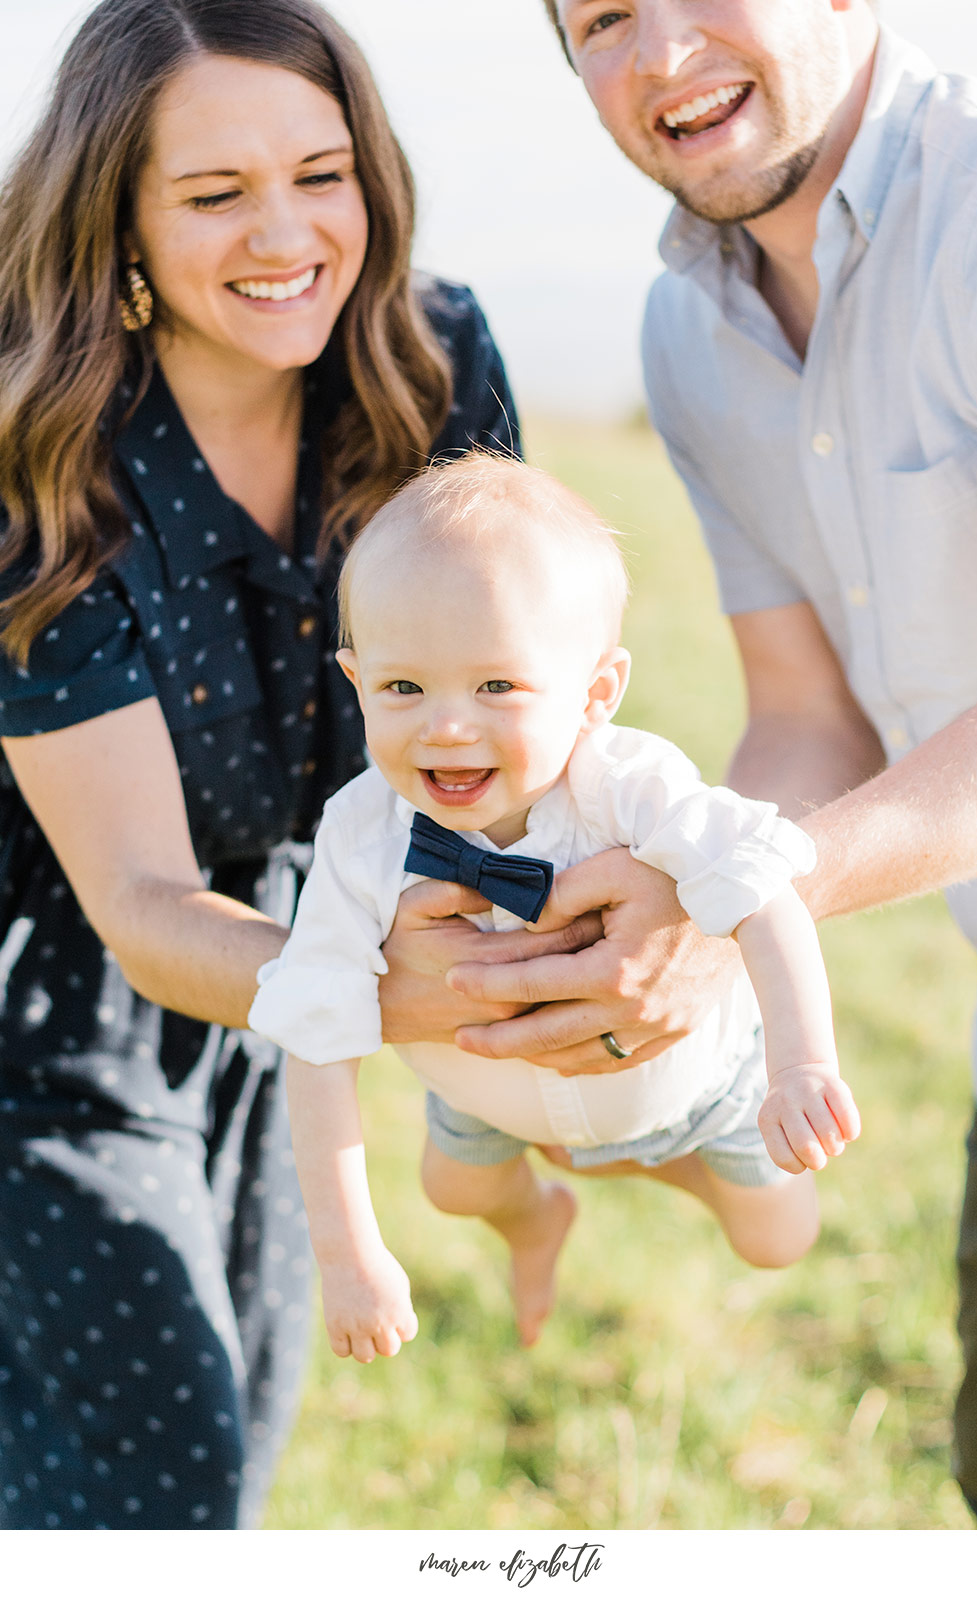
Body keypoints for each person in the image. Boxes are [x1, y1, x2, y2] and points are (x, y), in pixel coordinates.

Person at [0, 0, 523, 1530]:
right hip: (54, 1020)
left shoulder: (435, 366)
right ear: (121, 226)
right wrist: (415, 990)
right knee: (164, 1491)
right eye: (215, 193)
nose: (286, 232)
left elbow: (522, 708)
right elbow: (142, 895)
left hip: (294, 984)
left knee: (235, 1428)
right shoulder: (41, 456)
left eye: (322, 171)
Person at [528, 0, 977, 1532]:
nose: (663, 52)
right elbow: (806, 712)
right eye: (605, 18)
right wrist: (675, 900)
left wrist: (740, 900)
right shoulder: (688, 330)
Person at [249, 453, 859, 1357]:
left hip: (687, 1085)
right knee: (453, 1189)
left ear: (595, 694)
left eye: (497, 685)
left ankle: (650, 1155)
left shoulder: (627, 784)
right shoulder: (359, 833)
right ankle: (540, 1214)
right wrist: (349, 1257)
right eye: (403, 687)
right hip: (486, 1093)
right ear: (356, 682)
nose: (447, 725)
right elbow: (315, 1043)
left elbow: (765, 893)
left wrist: (802, 1067)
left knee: (778, 1240)